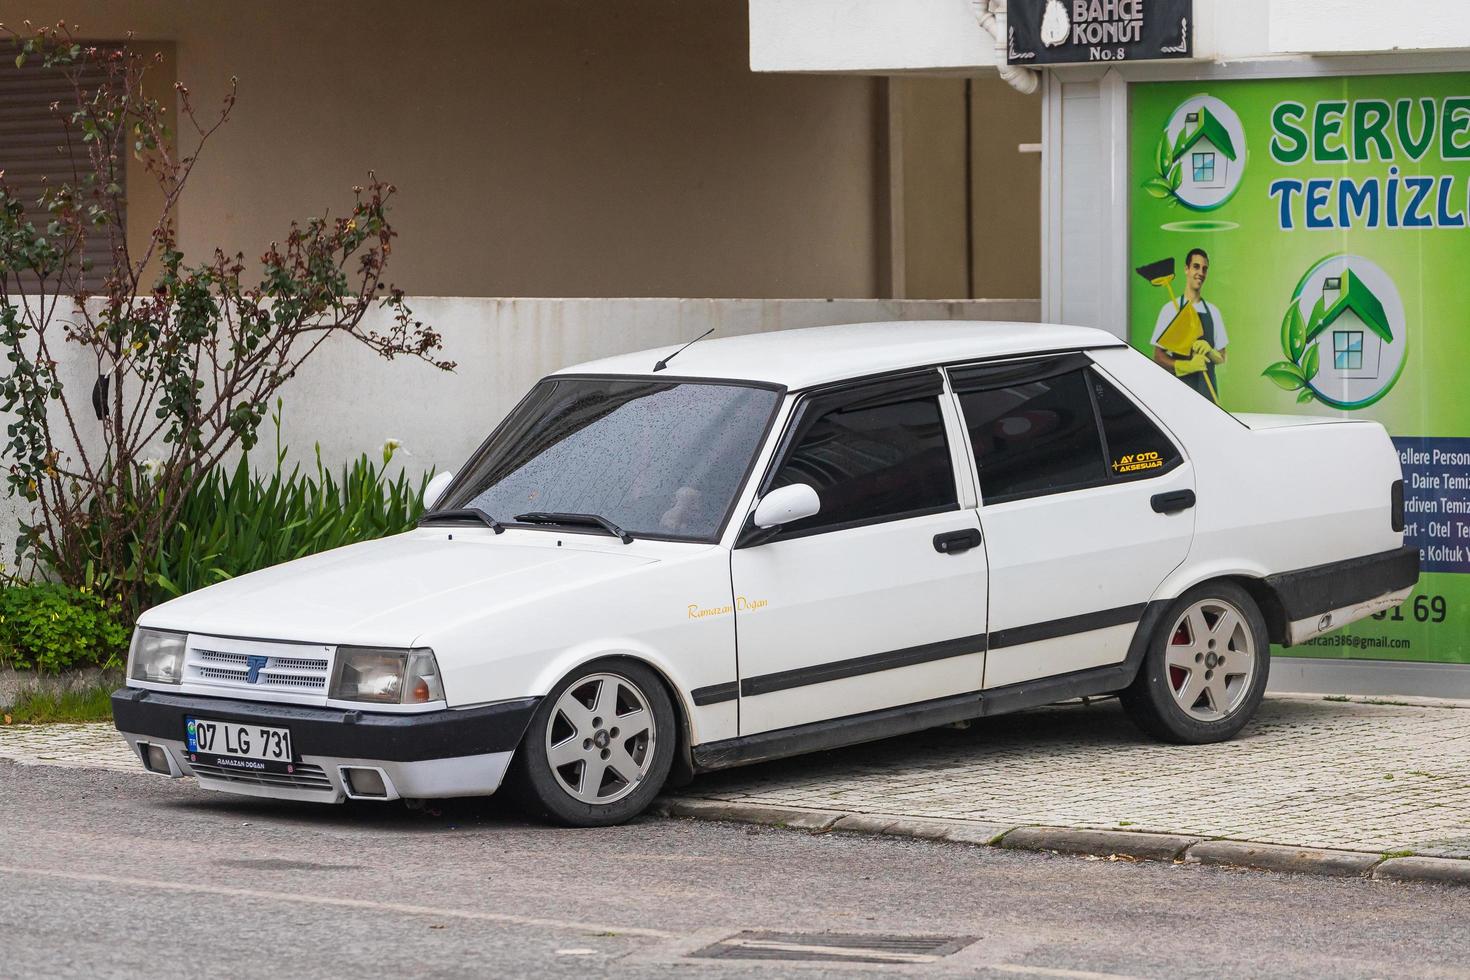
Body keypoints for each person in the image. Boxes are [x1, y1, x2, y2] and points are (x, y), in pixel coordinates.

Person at [1151, 248, 1227, 400]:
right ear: (1186, 269)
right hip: (1180, 394)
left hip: (1208, 394)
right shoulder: (1170, 310)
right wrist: (1186, 366)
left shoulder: (1213, 312)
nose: (1201, 272)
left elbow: (1222, 357)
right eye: (1196, 267)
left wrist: (1210, 351)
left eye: (1204, 269)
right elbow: (1158, 357)